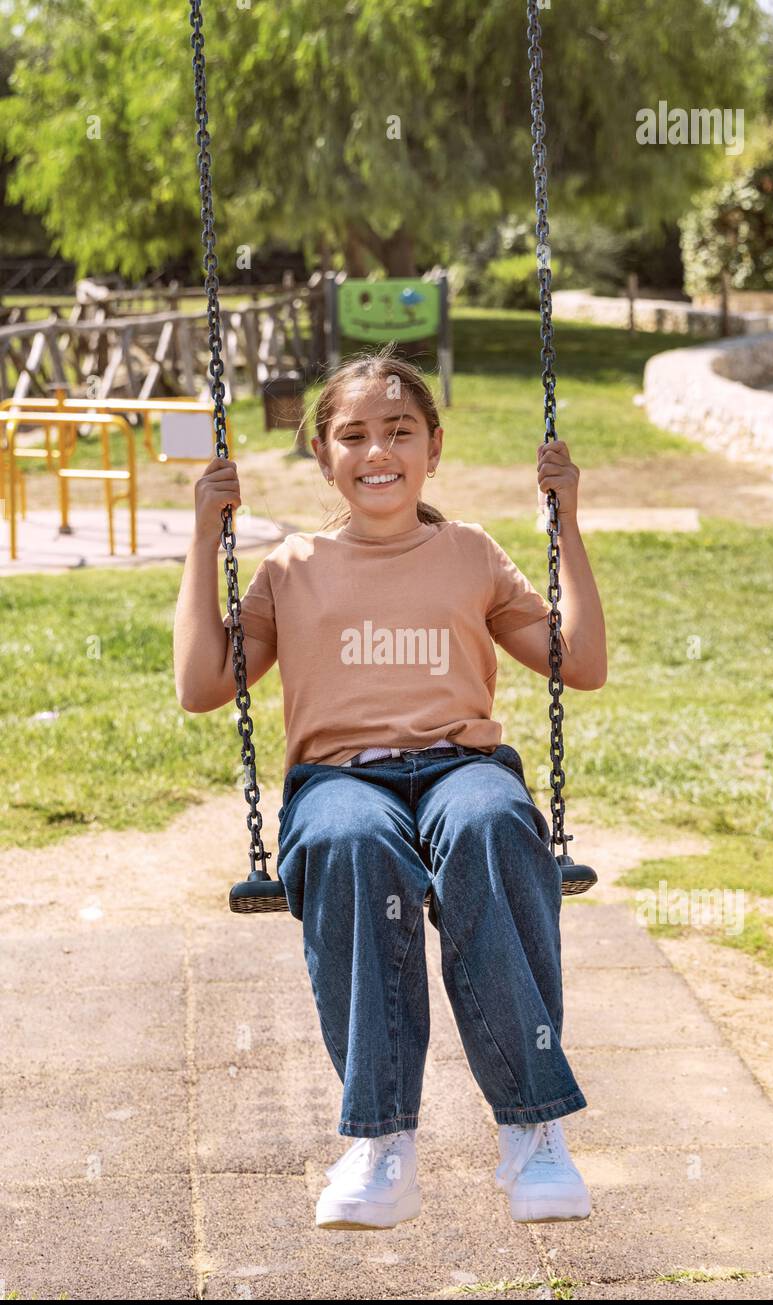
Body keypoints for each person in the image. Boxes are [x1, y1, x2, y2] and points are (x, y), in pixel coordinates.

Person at [173, 344, 607, 1232]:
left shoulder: (470, 552)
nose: (377, 452)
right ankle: (381, 1142)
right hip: (340, 781)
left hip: (460, 768)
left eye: (398, 432)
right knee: (347, 843)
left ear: (432, 448)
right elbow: (201, 688)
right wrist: (202, 536)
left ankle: (532, 1131)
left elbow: (581, 663)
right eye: (353, 435)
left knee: (491, 822)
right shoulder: (289, 568)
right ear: (324, 455)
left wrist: (565, 521)